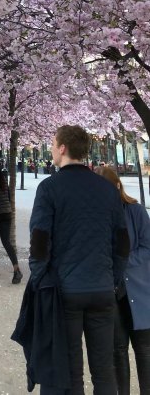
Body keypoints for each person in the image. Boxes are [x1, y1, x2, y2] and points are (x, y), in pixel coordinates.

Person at [29, 125, 129, 395]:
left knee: (71, 371)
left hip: (66, 293)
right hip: (101, 289)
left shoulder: (49, 188)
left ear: (63, 148)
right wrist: (113, 279)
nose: (50, 148)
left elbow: (39, 243)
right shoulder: (107, 190)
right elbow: (122, 244)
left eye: (52, 143)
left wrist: (41, 280)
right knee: (104, 370)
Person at [96, 166, 150, 395]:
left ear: (117, 186)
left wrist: (120, 261)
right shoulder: (95, 217)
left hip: (139, 289)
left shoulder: (135, 211)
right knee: (118, 350)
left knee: (144, 349)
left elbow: (147, 247)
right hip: (112, 291)